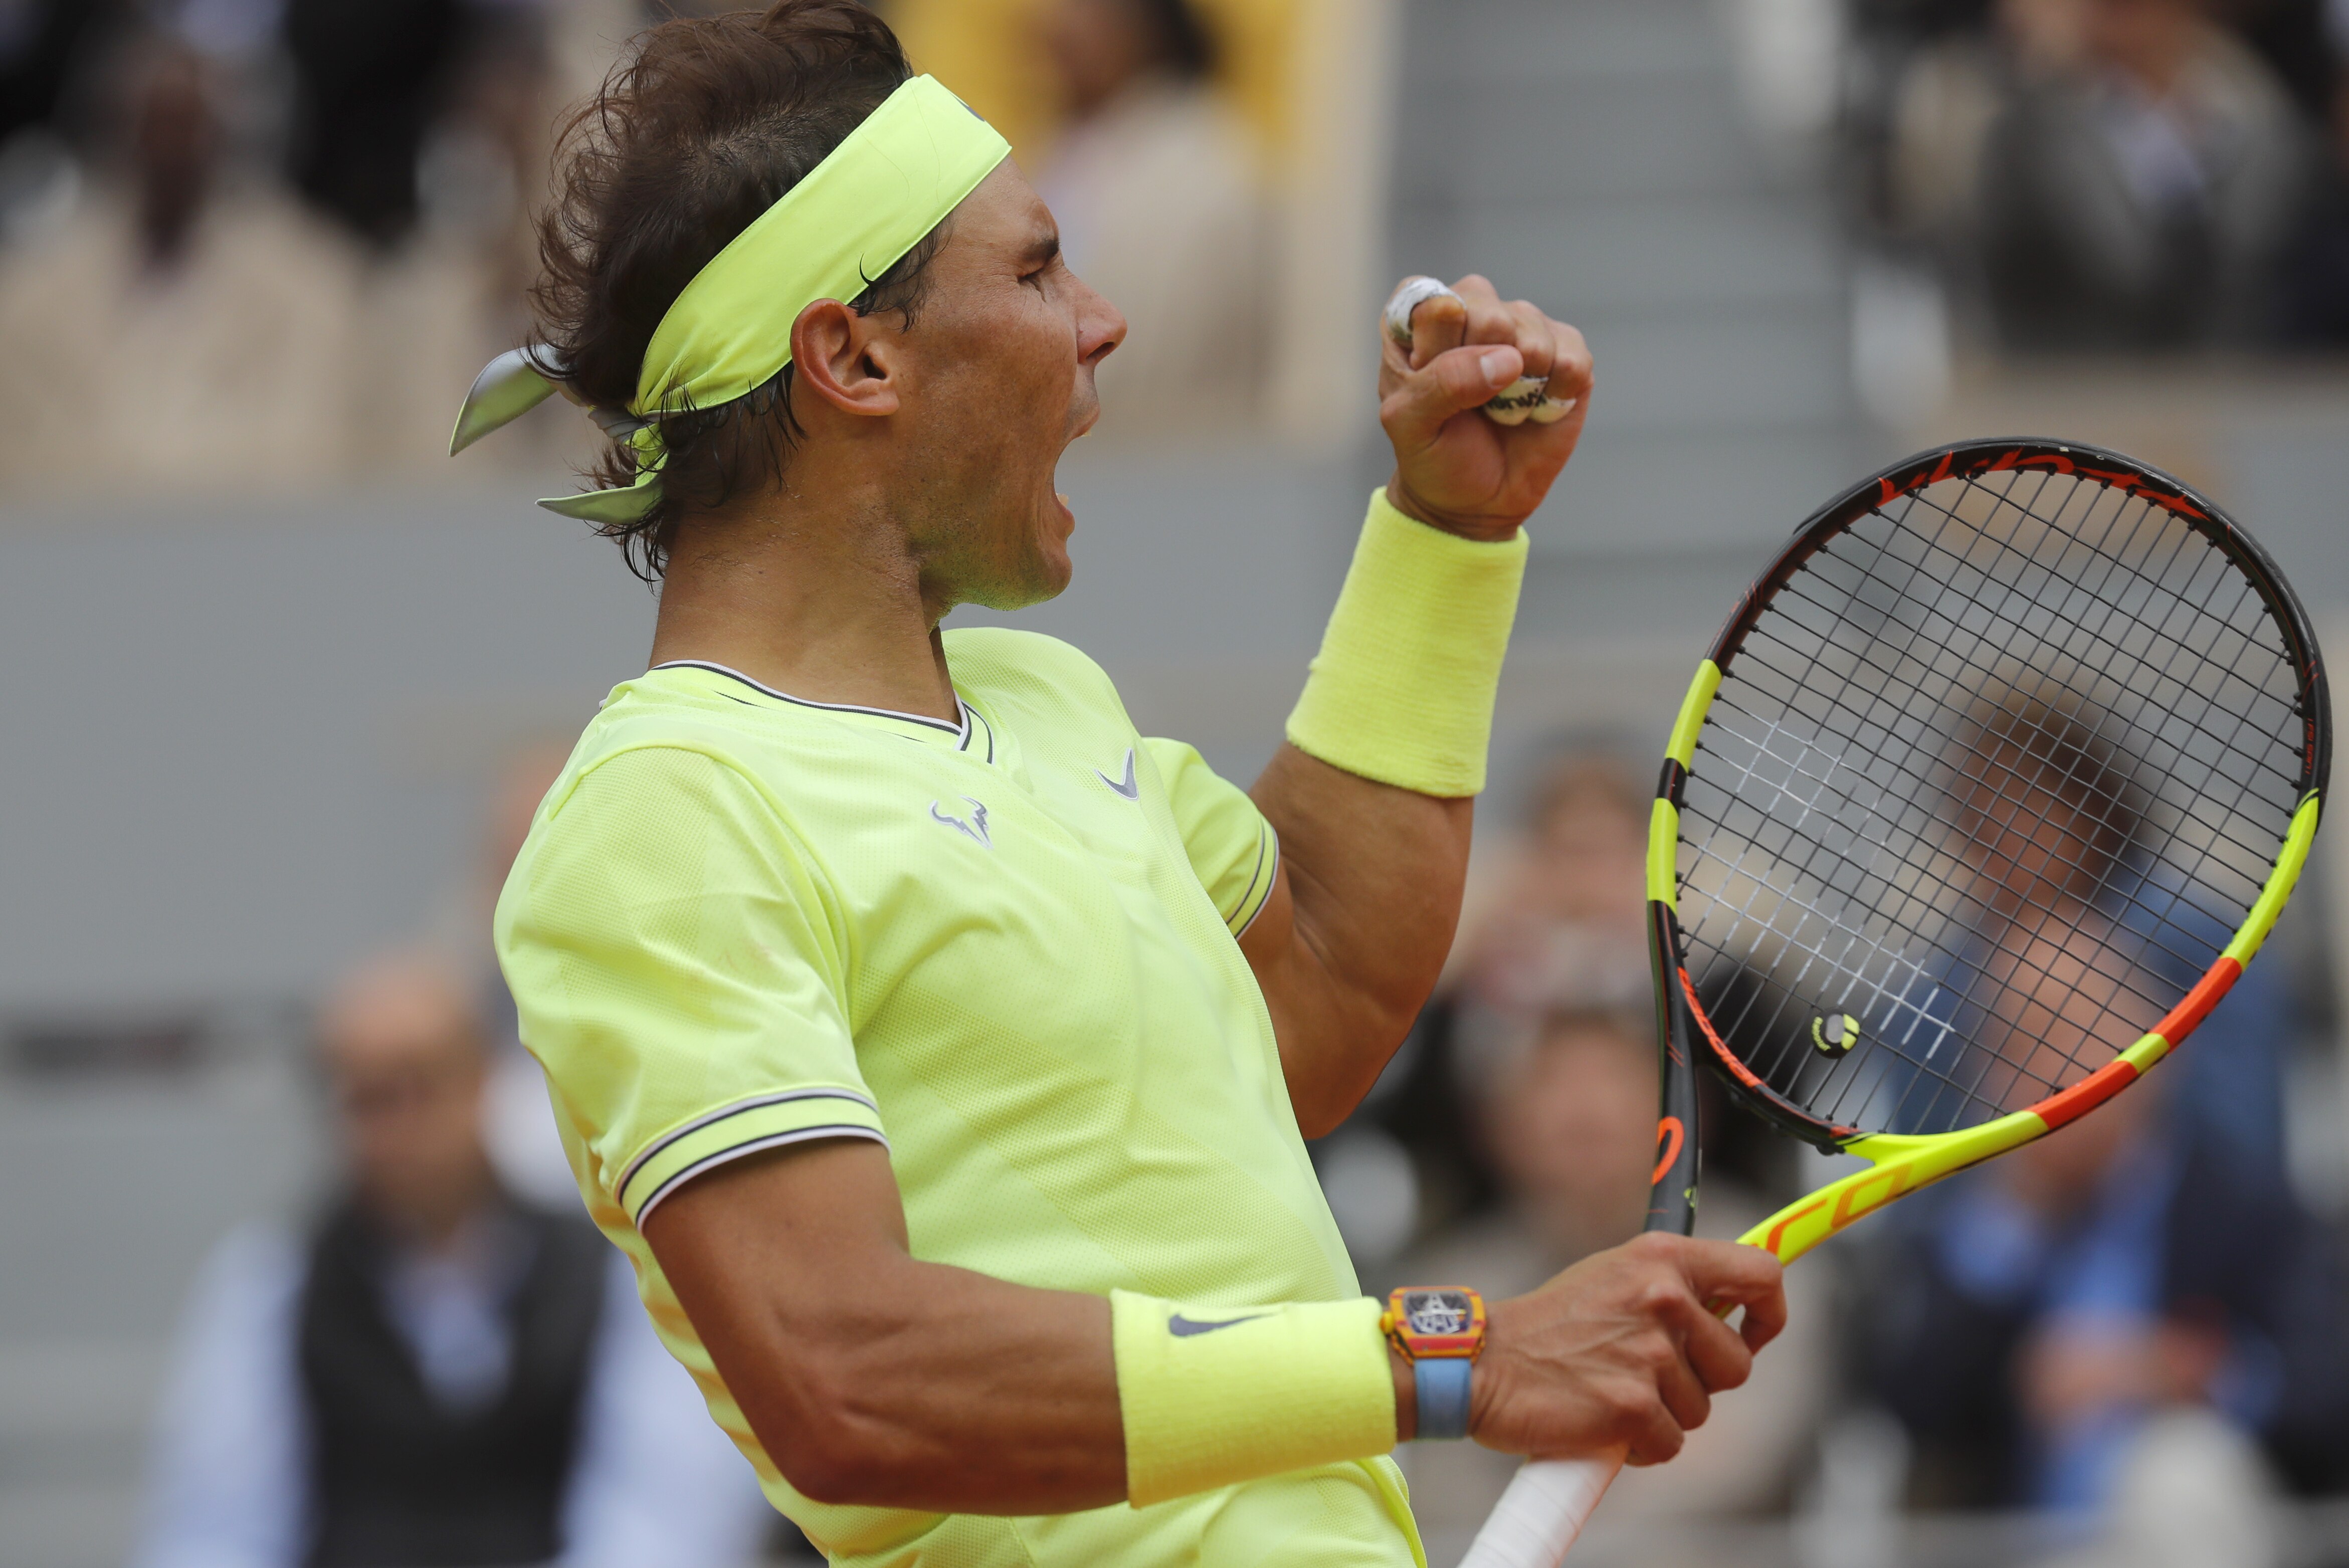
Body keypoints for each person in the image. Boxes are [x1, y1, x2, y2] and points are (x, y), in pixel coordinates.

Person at [461, 4, 1787, 1563]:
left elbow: (1319, 980)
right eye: (1033, 271)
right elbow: (842, 1373)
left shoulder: (1041, 701)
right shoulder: (665, 813)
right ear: (853, 354)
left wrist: (1442, 540)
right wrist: (1449, 1356)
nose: (1100, 321)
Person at [134, 952, 771, 1568]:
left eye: (420, 1085)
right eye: (366, 1097)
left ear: (484, 1080)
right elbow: (214, 1534)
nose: (395, 1129)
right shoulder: (270, 1285)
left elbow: (663, 1525)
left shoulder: (615, 1279)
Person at [0, 35, 366, 490]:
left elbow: (319, 446)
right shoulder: (33, 293)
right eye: (154, 126)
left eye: (188, 126)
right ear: (118, 131)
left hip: (251, 538)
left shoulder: (309, 285)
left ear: (225, 137)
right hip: (82, 540)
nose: (170, 150)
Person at [1032, 0, 1268, 431]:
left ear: (1150, 23)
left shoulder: (1210, 166)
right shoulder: (1065, 151)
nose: (1061, 27)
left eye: (1088, 10)